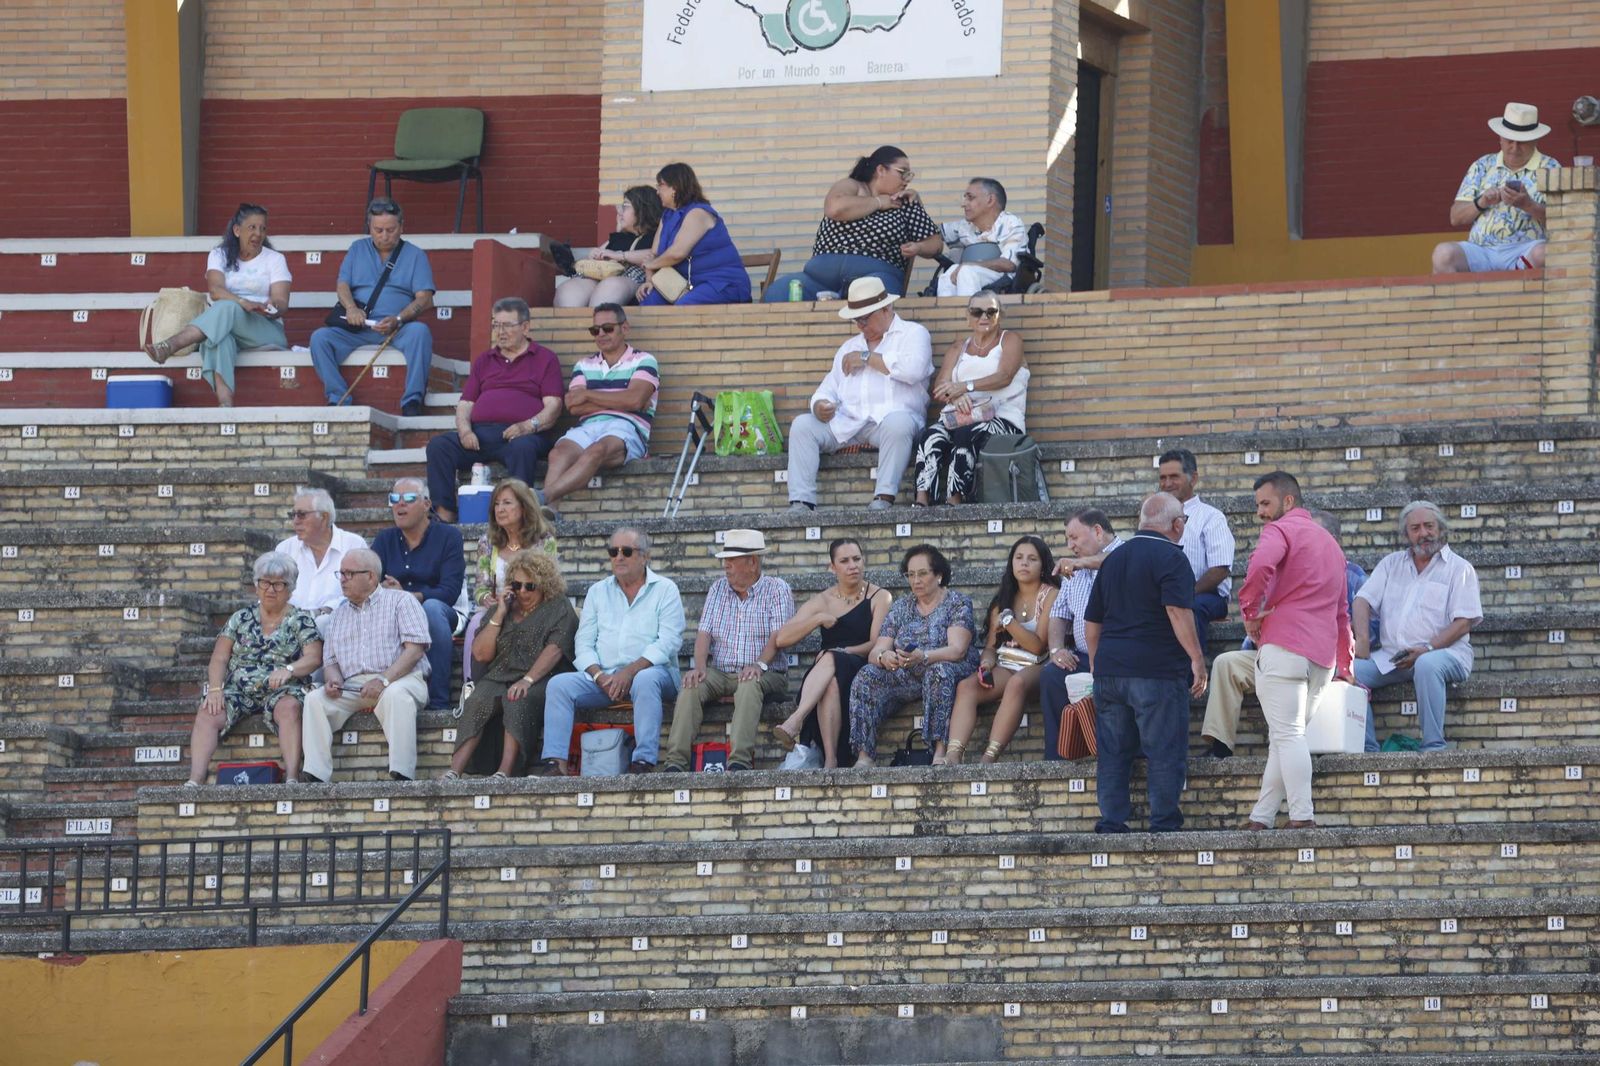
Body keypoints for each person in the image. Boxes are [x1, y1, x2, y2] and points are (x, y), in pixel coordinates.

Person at [1200, 508, 1372, 759]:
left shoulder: (1351, 574)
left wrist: (1345, 664)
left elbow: (1356, 626)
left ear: (1333, 540)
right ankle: (1220, 746)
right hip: (1276, 653)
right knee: (1227, 663)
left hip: (1323, 660)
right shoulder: (1286, 567)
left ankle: (1316, 751)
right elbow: (1263, 614)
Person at [1083, 493, 1208, 833]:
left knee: (1112, 751)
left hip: (1110, 672)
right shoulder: (1173, 558)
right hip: (1156, 672)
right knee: (1164, 748)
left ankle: (1112, 821)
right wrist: (1197, 659)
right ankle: (1164, 822)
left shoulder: (1112, 560)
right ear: (1177, 525)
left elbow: (1092, 621)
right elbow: (1177, 612)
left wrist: (1096, 663)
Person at [1236, 472, 1353, 831]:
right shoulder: (1332, 546)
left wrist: (1250, 611)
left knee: (1287, 736)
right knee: (1285, 738)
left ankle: (1302, 816)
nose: (1260, 512)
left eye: (1265, 503)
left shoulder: (1280, 531)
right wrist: (1346, 664)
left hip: (1285, 645)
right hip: (1322, 658)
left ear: (1288, 502)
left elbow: (1259, 566)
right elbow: (1341, 612)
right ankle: (1262, 817)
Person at [1053, 448, 1234, 648]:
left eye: (1174, 477)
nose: (1167, 483)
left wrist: (1186, 592)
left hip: (1204, 595)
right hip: (1161, 593)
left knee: (1191, 608)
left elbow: (1220, 570)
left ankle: (1191, 674)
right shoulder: (1153, 515)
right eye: (1162, 477)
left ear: (1194, 478)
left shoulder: (1211, 517)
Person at [539, 527, 685, 774]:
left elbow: (669, 641)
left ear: (645, 556)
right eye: (613, 551)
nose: (619, 557)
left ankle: (644, 761)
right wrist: (599, 676)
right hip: (605, 678)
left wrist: (629, 672)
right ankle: (556, 763)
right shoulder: (598, 592)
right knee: (559, 685)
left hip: (654, 673)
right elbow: (583, 643)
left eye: (626, 551)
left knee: (646, 679)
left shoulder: (665, 589)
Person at [785, 277, 933, 513]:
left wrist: (866, 358)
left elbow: (912, 371)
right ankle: (801, 502)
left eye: (865, 318)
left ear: (886, 309)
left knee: (899, 423)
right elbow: (827, 388)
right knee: (803, 425)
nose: (860, 325)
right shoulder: (848, 346)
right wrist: (820, 405)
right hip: (849, 423)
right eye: (856, 319)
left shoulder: (913, 334)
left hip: (890, 424)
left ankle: (884, 497)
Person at [660, 530, 794, 773]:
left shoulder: (777, 589)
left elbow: (779, 636)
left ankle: (739, 761)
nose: (726, 567)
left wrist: (759, 665)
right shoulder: (718, 588)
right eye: (725, 561)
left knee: (749, 683)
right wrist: (699, 668)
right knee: (691, 684)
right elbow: (704, 633)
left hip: (768, 671)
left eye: (732, 562)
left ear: (752, 562)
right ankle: (675, 763)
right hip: (721, 672)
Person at [1355, 501, 1483, 752]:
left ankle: (1433, 745)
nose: (1423, 533)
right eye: (1415, 528)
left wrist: (1426, 648)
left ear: (1441, 529)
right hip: (1395, 658)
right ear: (1406, 534)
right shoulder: (1392, 564)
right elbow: (1362, 600)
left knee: (1426, 664)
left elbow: (1464, 622)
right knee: (1349, 670)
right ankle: (1367, 749)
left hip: (1444, 655)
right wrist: (1361, 642)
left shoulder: (1459, 568)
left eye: (1429, 526)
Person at [185, 551, 322, 786]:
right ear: (256, 586)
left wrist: (289, 669)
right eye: (265, 583)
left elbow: (314, 657)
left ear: (291, 589)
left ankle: (291, 776)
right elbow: (219, 658)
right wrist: (216, 688)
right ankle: (195, 779)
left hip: (282, 689)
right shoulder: (240, 618)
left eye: (279, 585)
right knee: (208, 710)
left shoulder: (301, 619)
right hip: (239, 690)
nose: (270, 589)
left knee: (289, 707)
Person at [426, 297, 564, 522]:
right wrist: (465, 431)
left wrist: (527, 426)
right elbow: (465, 404)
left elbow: (554, 405)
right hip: (480, 434)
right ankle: (445, 514)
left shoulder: (544, 359)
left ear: (525, 327)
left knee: (523, 448)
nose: (500, 331)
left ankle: (519, 515)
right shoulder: (485, 360)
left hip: (523, 435)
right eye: (496, 325)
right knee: (439, 446)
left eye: (507, 325)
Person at [444, 551, 577, 780]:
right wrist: (500, 614)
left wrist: (527, 679)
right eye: (517, 585)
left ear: (544, 584)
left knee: (517, 699)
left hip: (541, 677)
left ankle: (504, 772)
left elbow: (555, 649)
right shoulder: (502, 608)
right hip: (499, 675)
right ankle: (453, 771)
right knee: (477, 700)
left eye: (530, 586)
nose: (522, 592)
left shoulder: (559, 607)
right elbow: (480, 654)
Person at [143, 203, 291, 407]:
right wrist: (242, 302)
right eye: (252, 227)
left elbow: (282, 302)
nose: (258, 233)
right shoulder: (219, 255)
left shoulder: (275, 259)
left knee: (225, 308)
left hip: (263, 329)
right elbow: (215, 290)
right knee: (219, 338)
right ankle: (225, 405)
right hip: (225, 323)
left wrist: (270, 306)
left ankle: (172, 345)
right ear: (237, 230)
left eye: (262, 228)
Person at [300, 549, 429, 782]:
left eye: (349, 574)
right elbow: (330, 662)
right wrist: (333, 680)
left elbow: (415, 650)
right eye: (341, 573)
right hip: (353, 686)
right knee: (315, 699)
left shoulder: (401, 600)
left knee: (396, 695)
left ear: (370, 576)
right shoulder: (338, 615)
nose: (342, 579)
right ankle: (315, 774)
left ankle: (402, 774)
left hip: (402, 678)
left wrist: (384, 680)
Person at [849, 544, 979, 766]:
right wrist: (884, 658)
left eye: (922, 573)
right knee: (866, 675)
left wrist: (924, 656)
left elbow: (957, 650)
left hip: (950, 668)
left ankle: (940, 751)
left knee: (939, 672)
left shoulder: (957, 602)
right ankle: (865, 755)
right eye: (910, 574)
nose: (915, 580)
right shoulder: (901, 607)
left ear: (938, 575)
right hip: (908, 672)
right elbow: (876, 650)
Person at [770, 538, 893, 769]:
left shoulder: (880, 596)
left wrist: (842, 651)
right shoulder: (823, 599)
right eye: (844, 561)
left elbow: (876, 643)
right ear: (832, 567)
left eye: (856, 559)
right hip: (827, 674)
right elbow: (782, 638)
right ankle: (831, 760)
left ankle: (796, 720)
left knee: (829, 658)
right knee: (831, 681)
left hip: (861, 665)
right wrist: (816, 619)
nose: (852, 566)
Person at [763, 146, 942, 301]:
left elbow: (936, 244)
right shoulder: (853, 186)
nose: (907, 179)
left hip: (874, 276)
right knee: (778, 293)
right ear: (881, 170)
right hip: (818, 278)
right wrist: (879, 202)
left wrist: (918, 247)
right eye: (902, 173)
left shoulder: (905, 202)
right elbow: (834, 208)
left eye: (909, 175)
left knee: (876, 298)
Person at [309, 198, 436, 415]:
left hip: (398, 328)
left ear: (402, 228)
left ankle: (412, 400)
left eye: (390, 229)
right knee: (319, 338)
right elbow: (342, 285)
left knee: (421, 332)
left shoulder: (415, 255)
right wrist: (351, 309)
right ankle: (338, 396)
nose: (384, 236)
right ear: (370, 228)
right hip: (358, 326)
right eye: (378, 230)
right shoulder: (357, 249)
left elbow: (425, 299)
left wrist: (398, 319)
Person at [944, 536, 1059, 764]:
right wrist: (986, 664)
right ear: (1011, 563)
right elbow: (990, 648)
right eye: (1019, 558)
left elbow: (1038, 646)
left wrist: (1008, 622)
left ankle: (989, 758)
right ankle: (953, 756)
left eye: (1032, 559)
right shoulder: (1004, 598)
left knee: (1017, 683)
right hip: (1006, 664)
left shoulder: (1051, 594)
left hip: (1039, 665)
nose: (1024, 563)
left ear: (1043, 565)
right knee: (967, 687)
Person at [539, 304, 659, 518]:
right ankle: (549, 513)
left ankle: (542, 498)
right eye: (595, 330)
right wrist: (621, 399)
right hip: (589, 426)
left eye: (608, 328)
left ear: (625, 328)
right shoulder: (584, 364)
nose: (601, 334)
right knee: (557, 454)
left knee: (595, 451)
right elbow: (574, 406)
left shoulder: (644, 360)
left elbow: (634, 399)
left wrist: (588, 395)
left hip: (627, 427)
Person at [912, 291, 1028, 505]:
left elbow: (1004, 376)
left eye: (991, 312)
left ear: (999, 315)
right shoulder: (958, 348)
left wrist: (965, 387)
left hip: (1003, 419)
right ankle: (922, 499)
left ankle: (955, 498)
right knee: (930, 435)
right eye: (977, 312)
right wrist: (955, 398)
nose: (984, 317)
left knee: (966, 434)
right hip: (960, 415)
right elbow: (940, 387)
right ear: (968, 316)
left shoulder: (1010, 340)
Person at [370, 478, 467, 711]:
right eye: (394, 499)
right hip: (395, 613)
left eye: (409, 498)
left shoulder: (448, 537)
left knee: (431, 610)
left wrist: (412, 596)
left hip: (443, 612)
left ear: (426, 504)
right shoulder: (385, 540)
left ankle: (439, 701)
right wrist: (390, 595)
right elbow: (369, 582)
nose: (399, 504)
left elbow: (450, 592)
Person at [1432, 103, 1561, 274]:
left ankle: (1524, 288)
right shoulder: (1482, 165)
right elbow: (1455, 217)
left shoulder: (1551, 168)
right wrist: (1482, 202)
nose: (1514, 148)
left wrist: (1528, 205)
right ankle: (1459, 301)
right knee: (1443, 254)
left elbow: (1564, 221)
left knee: (1545, 254)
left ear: (1534, 140)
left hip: (1526, 251)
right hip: (1481, 251)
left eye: (1522, 142)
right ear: (1500, 138)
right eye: (1509, 140)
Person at [1040, 509, 1122, 760]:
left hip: (1121, 656)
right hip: (1086, 656)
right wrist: (1056, 649)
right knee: (1052, 675)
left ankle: (1114, 753)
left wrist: (1081, 562)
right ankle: (1061, 756)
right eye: (1067, 539)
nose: (1070, 545)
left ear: (1097, 531)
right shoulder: (1073, 570)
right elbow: (1059, 613)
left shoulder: (1128, 551)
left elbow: (1117, 561)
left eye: (1074, 537)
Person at [464, 478, 559, 683]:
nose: (500, 509)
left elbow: (550, 585)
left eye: (507, 503)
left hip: (534, 608)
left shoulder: (544, 540)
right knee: (475, 624)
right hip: (498, 607)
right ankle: (471, 686)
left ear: (524, 507)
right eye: (496, 504)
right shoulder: (487, 542)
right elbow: (480, 587)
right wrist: (487, 600)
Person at [637, 163, 751, 305]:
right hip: (684, 285)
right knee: (649, 301)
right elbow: (653, 254)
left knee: (685, 306)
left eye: (660, 185)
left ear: (675, 187)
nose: (657, 191)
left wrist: (651, 265)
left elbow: (677, 253)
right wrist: (649, 281)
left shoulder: (698, 213)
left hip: (720, 283)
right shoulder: (667, 216)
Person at [554, 185, 664, 308]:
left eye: (625, 206)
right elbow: (599, 253)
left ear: (643, 209)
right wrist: (594, 254)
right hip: (601, 275)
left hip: (630, 277)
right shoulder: (618, 237)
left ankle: (600, 324)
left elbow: (656, 254)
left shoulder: (653, 236)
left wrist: (619, 255)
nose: (619, 212)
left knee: (611, 285)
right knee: (570, 290)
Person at [274, 487, 367, 630]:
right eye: (293, 515)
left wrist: (323, 612)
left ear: (323, 517)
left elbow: (362, 592)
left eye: (302, 515)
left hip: (340, 628)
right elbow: (271, 590)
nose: (295, 521)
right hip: (289, 629)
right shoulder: (284, 549)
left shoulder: (353, 545)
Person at [935, 178, 1028, 297]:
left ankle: (971, 314)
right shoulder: (965, 227)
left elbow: (1008, 264)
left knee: (965, 271)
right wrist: (916, 204)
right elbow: (930, 232)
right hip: (971, 274)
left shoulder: (1010, 222)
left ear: (990, 200)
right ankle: (947, 314)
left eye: (970, 198)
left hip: (1003, 279)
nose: (963, 204)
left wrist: (970, 265)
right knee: (949, 273)